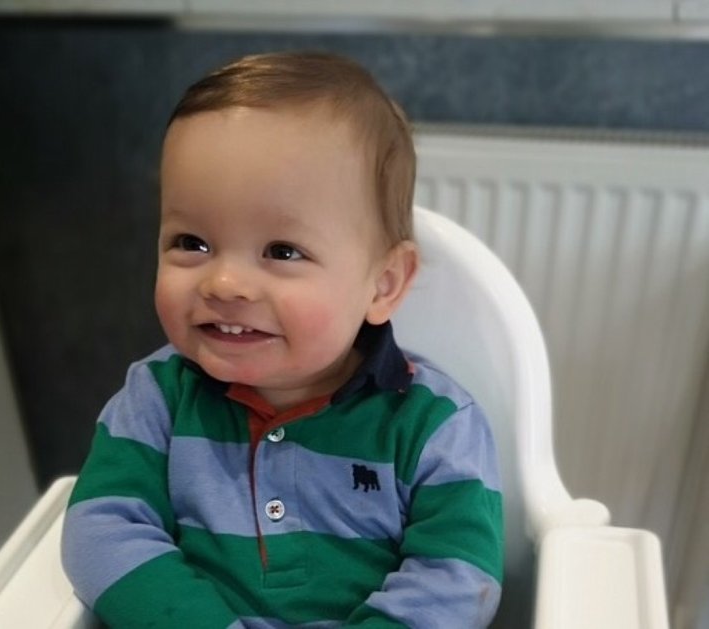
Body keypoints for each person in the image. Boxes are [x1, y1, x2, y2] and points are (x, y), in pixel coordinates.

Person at [61, 51, 503, 628]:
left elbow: (457, 579)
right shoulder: (156, 400)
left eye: (283, 251)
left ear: (383, 284)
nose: (224, 282)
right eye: (192, 242)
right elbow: (100, 531)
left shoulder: (435, 425)